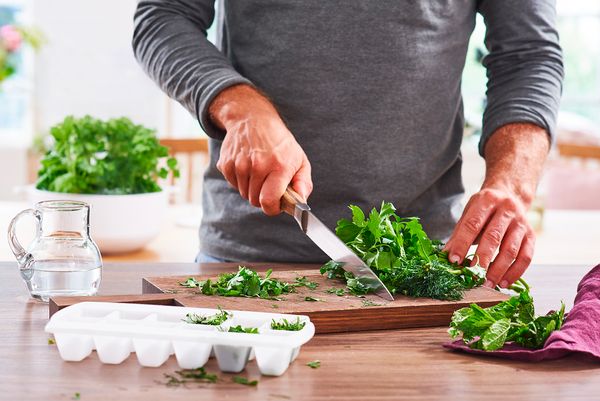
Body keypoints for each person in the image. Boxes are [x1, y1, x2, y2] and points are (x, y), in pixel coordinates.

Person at [133, 1, 563, 288]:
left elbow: (529, 53)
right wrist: (237, 105)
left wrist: (512, 183)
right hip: (247, 265)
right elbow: (161, 18)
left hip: (422, 269)